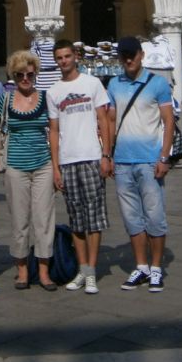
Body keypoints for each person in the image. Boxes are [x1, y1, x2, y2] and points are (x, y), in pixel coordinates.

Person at [107, 36, 174, 293]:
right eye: (124, 55)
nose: (128, 59)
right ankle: (141, 266)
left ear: (141, 55)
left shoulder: (158, 83)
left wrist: (164, 156)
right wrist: (108, 154)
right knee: (131, 218)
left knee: (155, 216)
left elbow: (168, 121)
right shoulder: (114, 84)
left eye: (132, 54)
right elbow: (110, 121)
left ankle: (156, 268)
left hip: (149, 160)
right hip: (122, 160)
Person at [47, 39, 111, 295]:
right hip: (67, 159)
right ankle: (82, 269)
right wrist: (55, 167)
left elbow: (103, 120)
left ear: (75, 56)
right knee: (76, 219)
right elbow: (53, 131)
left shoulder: (92, 83)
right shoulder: (53, 91)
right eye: (59, 58)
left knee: (94, 218)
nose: (64, 61)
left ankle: (92, 271)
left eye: (67, 56)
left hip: (92, 156)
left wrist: (106, 154)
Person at [0, 49, 56, 291]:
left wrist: (57, 166)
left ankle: (43, 271)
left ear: (35, 75)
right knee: (19, 220)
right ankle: (22, 270)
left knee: (44, 220)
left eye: (29, 75)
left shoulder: (45, 98)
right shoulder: (5, 100)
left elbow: (54, 131)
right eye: (20, 75)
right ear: (13, 76)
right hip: (15, 166)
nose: (25, 79)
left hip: (43, 165)